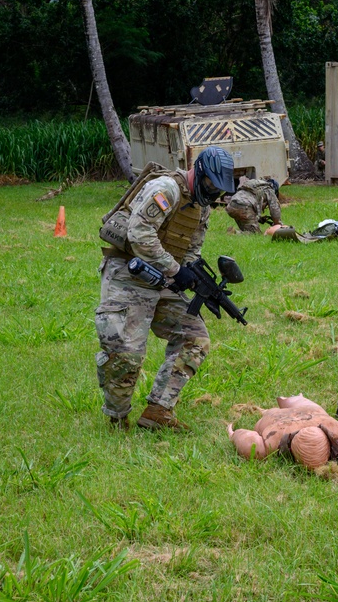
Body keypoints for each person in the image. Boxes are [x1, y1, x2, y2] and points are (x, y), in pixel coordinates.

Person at [95, 146, 235, 431]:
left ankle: (158, 411)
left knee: (195, 338)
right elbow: (139, 233)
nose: (213, 194)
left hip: (163, 278)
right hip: (128, 272)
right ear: (200, 172)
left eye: (218, 190)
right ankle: (117, 419)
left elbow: (191, 250)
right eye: (210, 185)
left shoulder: (202, 207)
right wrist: (175, 269)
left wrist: (196, 279)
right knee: (125, 354)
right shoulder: (166, 188)